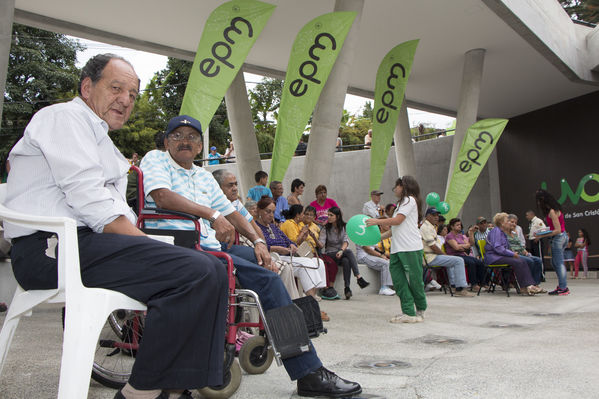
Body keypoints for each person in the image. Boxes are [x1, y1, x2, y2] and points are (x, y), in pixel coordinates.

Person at [3, 54, 230, 399]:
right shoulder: (63, 118)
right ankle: (141, 392)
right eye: (116, 88)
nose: (126, 100)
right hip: (49, 249)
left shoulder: (102, 141)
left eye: (133, 95)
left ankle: (175, 386)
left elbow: (114, 209)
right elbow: (92, 203)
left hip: (87, 245)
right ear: (87, 87)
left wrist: (149, 246)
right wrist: (149, 246)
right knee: (195, 269)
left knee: (213, 268)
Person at [140, 114, 361, 397]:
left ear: (200, 147)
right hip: (177, 245)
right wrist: (211, 214)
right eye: (178, 136)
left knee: (269, 274)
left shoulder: (204, 177)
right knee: (238, 273)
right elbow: (162, 197)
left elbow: (233, 212)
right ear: (167, 141)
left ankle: (308, 371)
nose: (185, 142)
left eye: (193, 137)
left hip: (211, 248)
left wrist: (258, 240)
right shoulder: (156, 160)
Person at [212, 169, 300, 301]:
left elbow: (253, 227)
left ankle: (293, 309)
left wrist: (262, 246)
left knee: (286, 268)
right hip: (224, 251)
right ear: (217, 187)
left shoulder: (236, 204)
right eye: (230, 185)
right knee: (279, 268)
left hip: (245, 250)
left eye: (236, 184)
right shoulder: (211, 203)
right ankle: (285, 312)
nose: (235, 188)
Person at [366, 176, 427, 323]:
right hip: (397, 249)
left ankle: (420, 309)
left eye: (397, 186)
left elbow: (397, 221)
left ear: (404, 186)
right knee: (399, 281)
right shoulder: (400, 204)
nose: (395, 189)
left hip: (411, 247)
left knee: (415, 280)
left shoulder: (409, 200)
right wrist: (376, 239)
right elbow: (394, 229)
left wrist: (377, 221)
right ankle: (408, 311)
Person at [255, 199, 327, 301]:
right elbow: (259, 246)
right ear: (259, 211)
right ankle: (311, 301)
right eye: (268, 211)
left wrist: (292, 245)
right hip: (275, 257)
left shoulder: (273, 227)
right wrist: (279, 249)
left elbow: (288, 240)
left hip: (288, 255)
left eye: (273, 212)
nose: (271, 215)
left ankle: (313, 297)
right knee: (305, 264)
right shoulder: (256, 227)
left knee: (318, 261)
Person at [419, 208, 474, 297]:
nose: (436, 217)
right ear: (428, 216)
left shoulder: (431, 226)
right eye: (434, 215)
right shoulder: (425, 227)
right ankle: (460, 289)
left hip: (434, 255)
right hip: (430, 257)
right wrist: (444, 254)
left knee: (456, 260)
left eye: (437, 215)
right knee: (458, 260)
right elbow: (433, 246)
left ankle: (454, 286)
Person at [485, 213, 543, 296]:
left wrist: (512, 253)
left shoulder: (502, 232)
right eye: (508, 221)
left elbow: (506, 247)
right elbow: (498, 248)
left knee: (522, 260)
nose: (509, 223)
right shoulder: (496, 231)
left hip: (501, 256)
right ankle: (525, 286)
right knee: (518, 262)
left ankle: (527, 286)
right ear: (502, 223)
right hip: (494, 257)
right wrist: (511, 254)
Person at [319, 207, 370, 299]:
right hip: (330, 254)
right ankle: (359, 277)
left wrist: (341, 251)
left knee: (346, 261)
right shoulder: (325, 228)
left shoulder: (344, 227)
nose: (328, 217)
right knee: (349, 252)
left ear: (337, 216)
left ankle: (347, 288)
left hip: (341, 254)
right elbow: (321, 244)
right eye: (328, 215)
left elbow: (346, 241)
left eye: (331, 215)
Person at [301, 206, 340, 300]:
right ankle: (318, 290)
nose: (308, 217)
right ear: (303, 215)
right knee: (318, 264)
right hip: (302, 251)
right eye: (307, 214)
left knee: (330, 263)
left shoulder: (317, 228)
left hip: (315, 251)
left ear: (314, 217)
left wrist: (314, 237)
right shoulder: (300, 224)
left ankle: (328, 288)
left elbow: (320, 243)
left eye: (311, 215)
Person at [535, 189, 570, 296]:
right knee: (555, 263)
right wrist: (542, 231)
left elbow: (557, 230)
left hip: (558, 238)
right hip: (560, 238)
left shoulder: (552, 212)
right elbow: (553, 227)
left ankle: (563, 288)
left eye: (538, 201)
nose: (537, 203)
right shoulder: (555, 210)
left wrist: (542, 235)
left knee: (558, 263)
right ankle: (562, 286)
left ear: (542, 200)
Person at [445, 218, 487, 291]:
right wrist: (463, 246)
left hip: (462, 254)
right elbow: (456, 247)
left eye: (460, 224)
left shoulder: (460, 235)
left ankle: (482, 283)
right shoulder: (449, 236)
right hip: (454, 256)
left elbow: (471, 244)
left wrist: (471, 233)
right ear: (452, 226)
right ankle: (474, 285)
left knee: (479, 262)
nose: (460, 226)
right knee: (471, 263)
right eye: (457, 225)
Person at [506, 214, 544, 287]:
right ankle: (528, 283)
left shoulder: (514, 233)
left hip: (521, 253)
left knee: (538, 260)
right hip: (513, 255)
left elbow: (520, 245)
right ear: (507, 222)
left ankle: (535, 284)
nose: (514, 224)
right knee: (530, 261)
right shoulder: (504, 234)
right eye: (512, 222)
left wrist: (525, 251)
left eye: (515, 223)